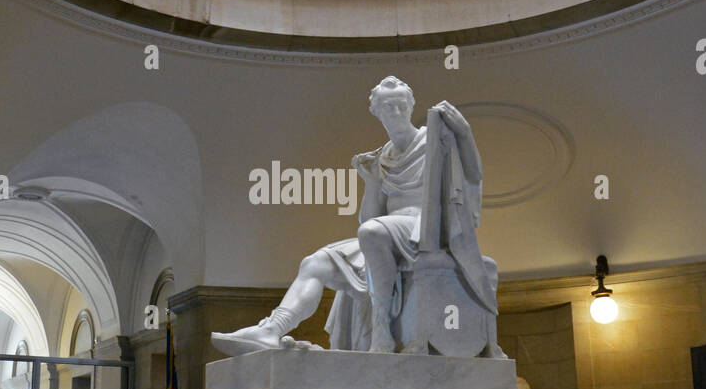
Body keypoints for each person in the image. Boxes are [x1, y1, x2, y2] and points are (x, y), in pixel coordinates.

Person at [212, 75, 501, 356]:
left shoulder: (434, 141)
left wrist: (464, 134)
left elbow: (472, 174)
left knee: (372, 232)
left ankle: (381, 328)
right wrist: (372, 181)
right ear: (376, 112)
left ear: (412, 106)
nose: (397, 111)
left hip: (424, 229)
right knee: (316, 262)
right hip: (386, 233)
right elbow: (369, 219)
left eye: (402, 104)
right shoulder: (382, 157)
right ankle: (272, 330)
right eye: (388, 106)